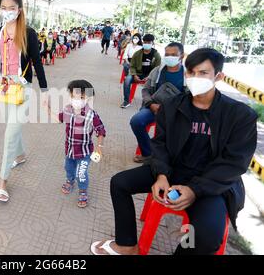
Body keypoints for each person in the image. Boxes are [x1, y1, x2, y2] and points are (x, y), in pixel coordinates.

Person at [91, 48, 257, 255]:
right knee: (119, 183)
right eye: (190, 72)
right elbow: (159, 144)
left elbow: (234, 164)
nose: (195, 78)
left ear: (218, 76)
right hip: (173, 171)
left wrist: (194, 190)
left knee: (207, 237)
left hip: (211, 184)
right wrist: (161, 174)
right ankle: (127, 245)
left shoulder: (240, 116)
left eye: (203, 73)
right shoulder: (172, 106)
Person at [0, 0, 48, 203]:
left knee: (9, 134)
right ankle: (20, 156)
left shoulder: (28, 32)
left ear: (19, 10)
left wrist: (45, 91)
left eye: (11, 8)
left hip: (23, 88)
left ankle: (2, 183)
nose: (7, 12)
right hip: (4, 87)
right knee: (13, 125)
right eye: (3, 8)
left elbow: (37, 62)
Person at [44, 80, 106, 208]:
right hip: (70, 150)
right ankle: (70, 181)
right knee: (68, 168)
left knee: (81, 173)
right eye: (74, 96)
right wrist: (47, 109)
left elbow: (100, 130)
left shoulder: (91, 114)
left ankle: (83, 190)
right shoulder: (67, 110)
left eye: (81, 97)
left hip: (84, 152)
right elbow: (58, 119)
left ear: (88, 98)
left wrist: (99, 147)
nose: (77, 99)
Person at [131, 42, 188, 164]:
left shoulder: (187, 75)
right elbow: (146, 90)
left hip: (177, 111)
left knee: (179, 129)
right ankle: (148, 153)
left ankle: (169, 157)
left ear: (181, 56)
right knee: (136, 121)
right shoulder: (157, 71)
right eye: (167, 54)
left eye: (173, 54)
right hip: (154, 107)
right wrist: (151, 104)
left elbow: (191, 98)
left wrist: (174, 109)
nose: (169, 57)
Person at [121, 34, 161, 108]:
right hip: (138, 74)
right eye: (145, 42)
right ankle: (126, 101)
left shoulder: (156, 55)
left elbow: (157, 69)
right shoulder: (137, 53)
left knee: (156, 84)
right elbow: (132, 66)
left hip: (150, 76)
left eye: (149, 43)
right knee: (127, 80)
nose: (147, 44)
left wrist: (149, 77)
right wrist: (134, 75)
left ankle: (150, 102)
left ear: (152, 43)